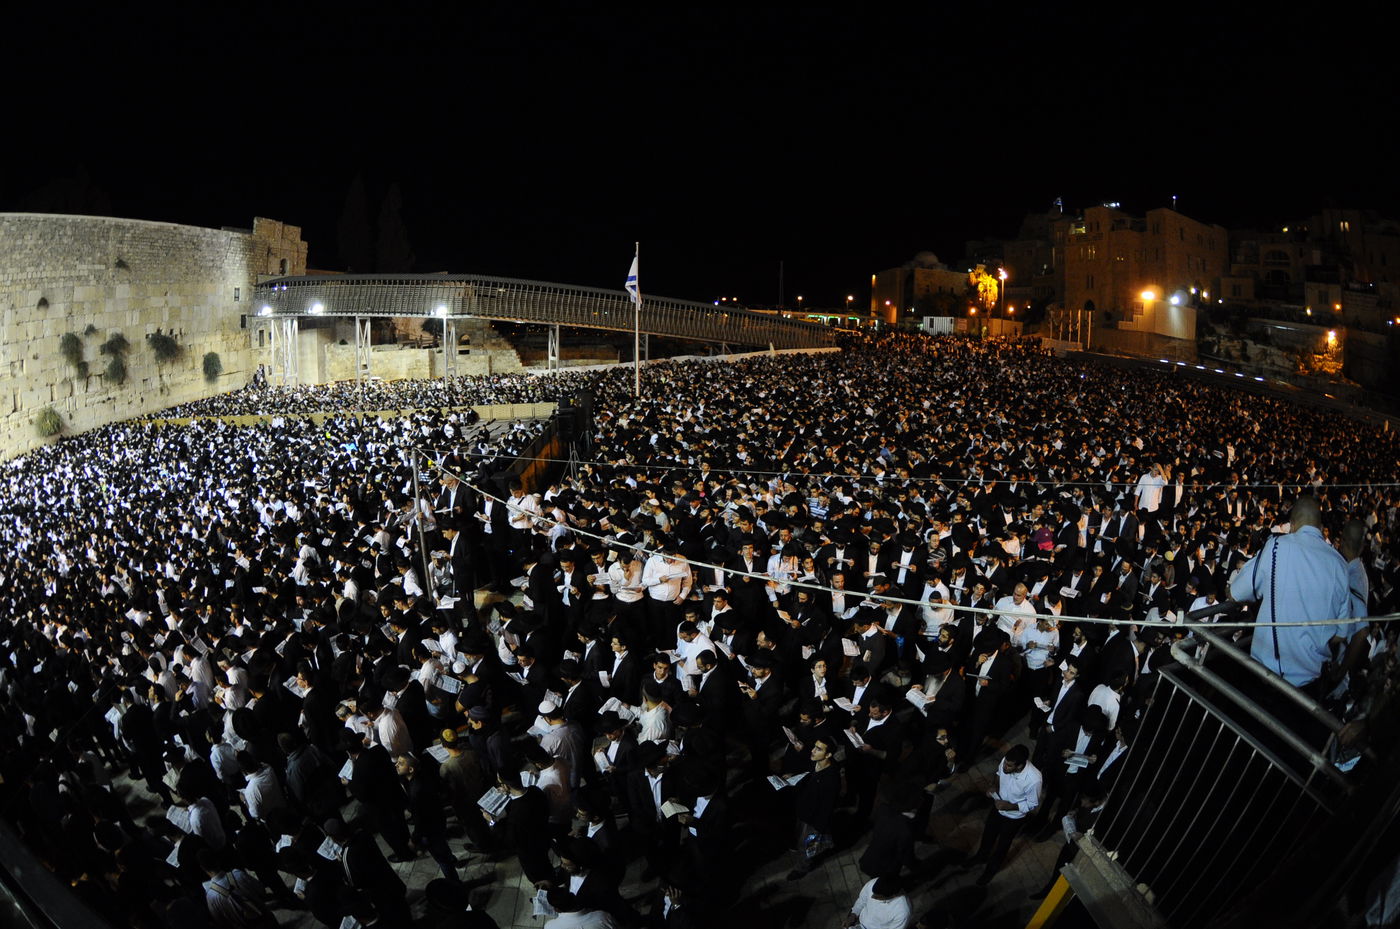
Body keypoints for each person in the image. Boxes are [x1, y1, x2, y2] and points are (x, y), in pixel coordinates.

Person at [1229, 496, 1364, 691]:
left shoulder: (1276, 547)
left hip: (1264, 678)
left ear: (1292, 524)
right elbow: (1340, 635)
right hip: (1309, 687)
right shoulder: (1340, 566)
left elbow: (1235, 593)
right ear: (1319, 526)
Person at [966, 744, 1042, 885]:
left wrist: (1010, 806)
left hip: (1014, 818)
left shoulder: (1034, 779)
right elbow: (998, 774)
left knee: (1002, 845)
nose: (1005, 766)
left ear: (1019, 766)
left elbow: (1032, 804)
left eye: (1009, 766)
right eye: (1005, 763)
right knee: (988, 834)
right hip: (997, 807)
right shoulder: (1007, 760)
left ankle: (990, 871)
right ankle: (980, 857)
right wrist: (993, 785)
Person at [843, 875, 911, 929]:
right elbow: (861, 900)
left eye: (878, 897)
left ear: (893, 896)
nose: (872, 897)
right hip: (860, 922)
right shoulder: (873, 883)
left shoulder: (903, 912)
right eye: (873, 893)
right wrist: (853, 915)